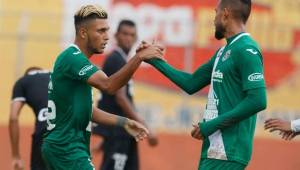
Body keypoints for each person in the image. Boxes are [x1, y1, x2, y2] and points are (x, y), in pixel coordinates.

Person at [141, 0, 267, 169]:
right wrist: (154, 60)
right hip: (214, 148)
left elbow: (258, 100)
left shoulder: (246, 49)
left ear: (226, 14)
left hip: (229, 150)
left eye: (216, 12)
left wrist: (211, 126)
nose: (214, 19)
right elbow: (191, 83)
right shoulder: (224, 51)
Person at [41, 5, 163, 170]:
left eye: (107, 31)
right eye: (101, 31)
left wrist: (124, 122)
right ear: (83, 33)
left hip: (66, 147)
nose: (106, 37)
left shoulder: (77, 61)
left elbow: (87, 110)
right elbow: (109, 86)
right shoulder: (72, 57)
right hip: (67, 149)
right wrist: (139, 57)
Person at [93, 20, 158, 170]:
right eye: (125, 34)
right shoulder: (116, 59)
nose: (128, 38)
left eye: (132, 35)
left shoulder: (122, 59)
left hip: (123, 132)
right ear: (116, 36)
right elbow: (121, 98)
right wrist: (146, 127)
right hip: (120, 130)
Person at [9, 67, 49, 170]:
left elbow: (13, 118)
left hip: (44, 132)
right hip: (69, 131)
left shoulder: (22, 82)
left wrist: (16, 156)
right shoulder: (58, 75)